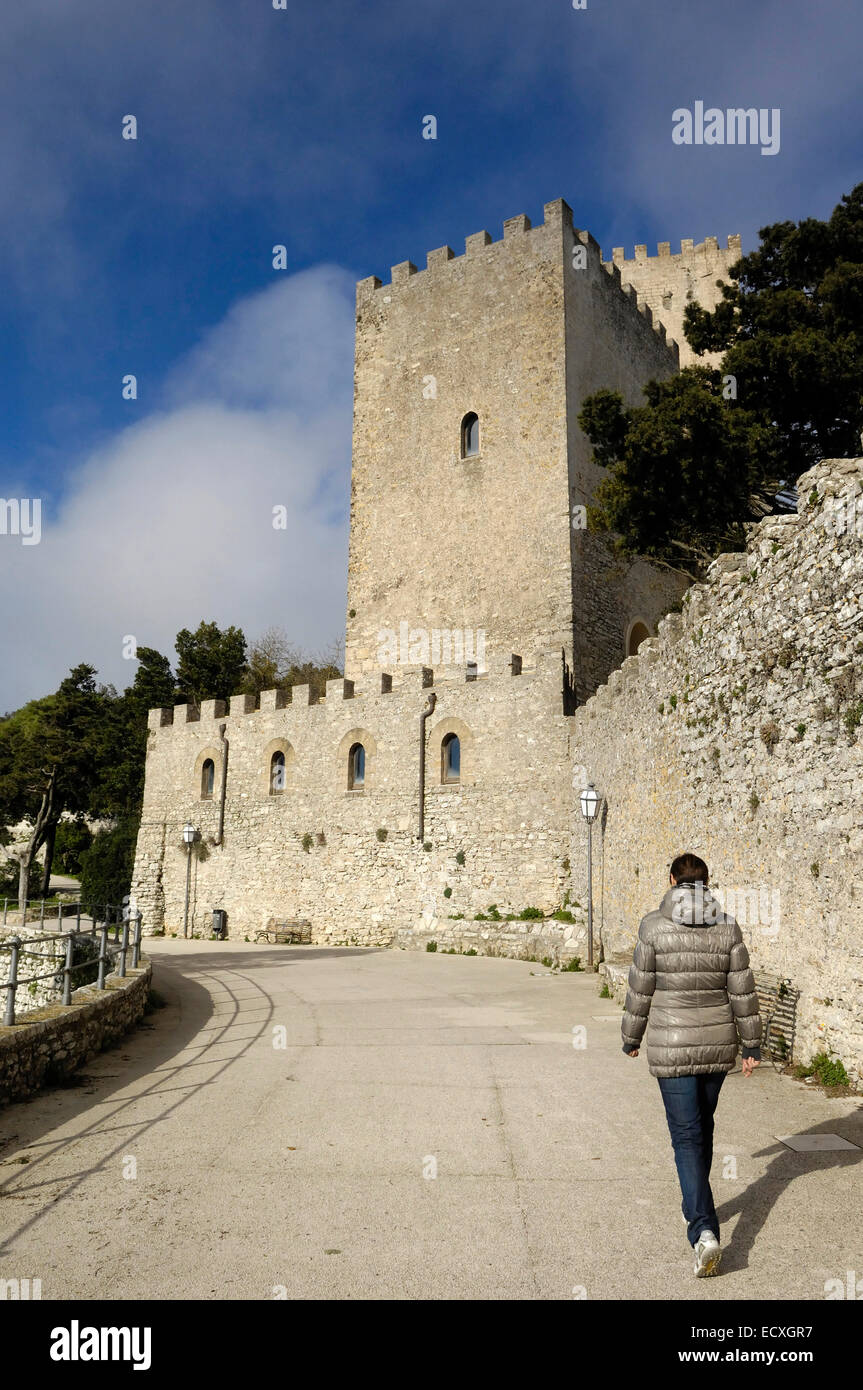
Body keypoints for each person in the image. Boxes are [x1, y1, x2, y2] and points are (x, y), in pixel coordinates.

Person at [621, 853, 762, 1277]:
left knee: (686, 1137)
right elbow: (742, 990)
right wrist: (752, 1045)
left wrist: (631, 1036)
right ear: (706, 883)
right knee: (702, 1129)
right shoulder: (728, 926)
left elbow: (640, 988)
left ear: (671, 881)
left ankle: (703, 1231)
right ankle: (695, 1208)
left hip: (672, 1046)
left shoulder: (652, 926)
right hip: (718, 1048)